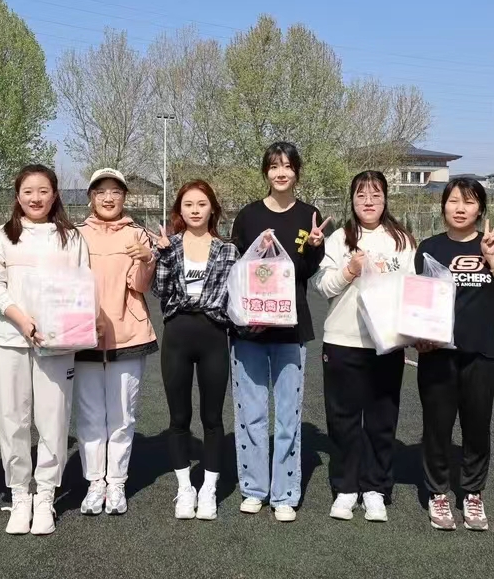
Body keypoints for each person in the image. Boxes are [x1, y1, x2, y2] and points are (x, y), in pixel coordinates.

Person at [0, 164, 89, 536]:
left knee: (53, 419)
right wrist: (20, 318)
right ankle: (19, 494)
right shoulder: (0, 236)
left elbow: (81, 286)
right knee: (13, 418)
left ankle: (45, 496)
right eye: (28, 191)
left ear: (55, 194)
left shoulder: (71, 237)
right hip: (10, 339)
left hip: (58, 342)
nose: (36, 198)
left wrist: (74, 325)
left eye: (43, 191)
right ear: (17, 195)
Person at [414, 177, 494, 532]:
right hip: (437, 355)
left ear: (480, 209)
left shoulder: (492, 245)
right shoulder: (429, 247)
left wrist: (492, 258)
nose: (460, 208)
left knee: (477, 427)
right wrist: (418, 337)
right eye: (453, 201)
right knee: (437, 427)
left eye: (469, 202)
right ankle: (438, 493)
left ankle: (473, 493)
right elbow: (417, 301)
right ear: (443, 206)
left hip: (481, 352)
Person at [229, 142, 330, 522]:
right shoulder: (249, 215)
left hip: (291, 329)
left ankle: (285, 494)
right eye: (274, 166)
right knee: (251, 414)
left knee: (288, 417)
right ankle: (254, 489)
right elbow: (236, 267)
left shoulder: (309, 215)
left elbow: (306, 271)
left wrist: (315, 248)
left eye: (287, 166)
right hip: (250, 330)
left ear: (297, 172)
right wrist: (259, 251)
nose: (281, 172)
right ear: (266, 172)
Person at [315, 170, 416, 523]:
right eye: (361, 195)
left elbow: (413, 289)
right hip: (342, 341)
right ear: (352, 200)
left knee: (381, 418)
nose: (369, 202)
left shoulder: (402, 241)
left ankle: (375, 488)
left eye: (375, 195)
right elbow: (322, 287)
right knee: (342, 419)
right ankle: (345, 488)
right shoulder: (338, 239)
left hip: (386, 344)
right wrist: (349, 270)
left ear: (386, 199)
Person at [151, 180, 239, 521]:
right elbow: (160, 290)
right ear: (180, 210)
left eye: (202, 204)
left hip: (214, 337)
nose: (195, 210)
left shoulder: (228, 250)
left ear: (212, 208)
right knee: (179, 418)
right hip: (177, 337)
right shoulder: (169, 245)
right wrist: (162, 255)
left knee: (213, 418)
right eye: (188, 204)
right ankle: (185, 487)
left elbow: (237, 294)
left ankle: (209, 489)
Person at [74, 168, 157, 517]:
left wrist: (146, 259)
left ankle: (117, 481)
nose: (108, 198)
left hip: (129, 334)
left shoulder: (138, 234)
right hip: (84, 335)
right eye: (101, 191)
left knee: (123, 414)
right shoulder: (75, 235)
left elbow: (140, 285)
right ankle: (95, 482)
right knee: (90, 415)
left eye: (116, 192)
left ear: (125, 197)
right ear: (91, 197)